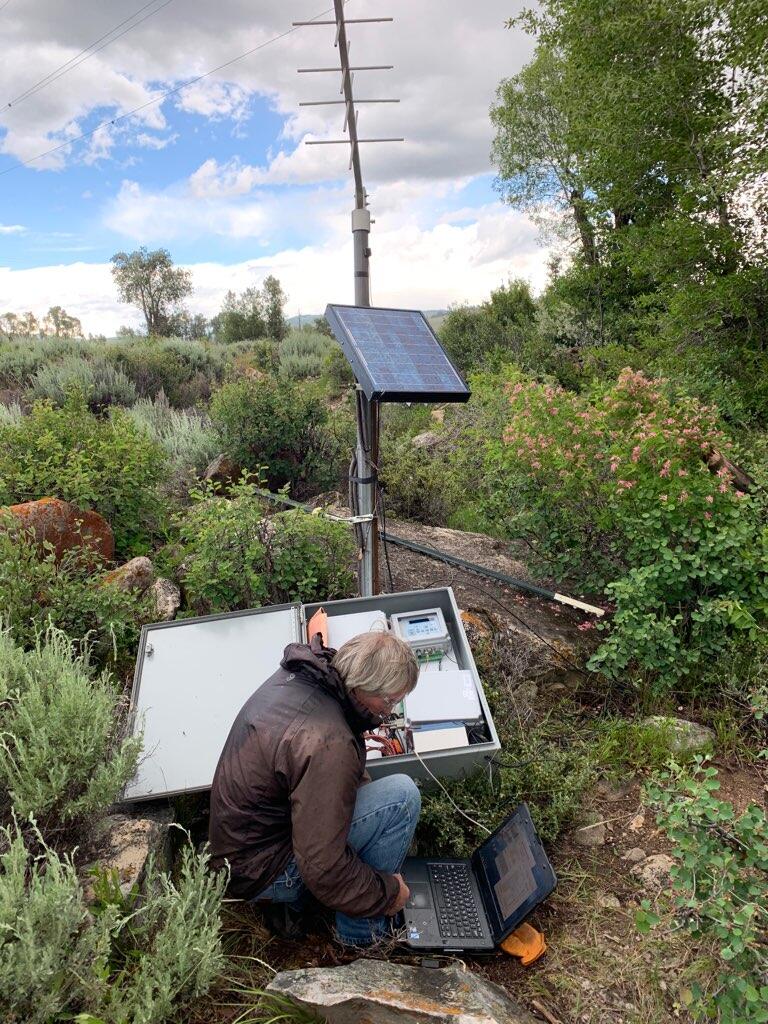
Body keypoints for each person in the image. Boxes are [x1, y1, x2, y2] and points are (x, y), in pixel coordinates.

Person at [208, 629, 421, 947]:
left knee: (382, 798)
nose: (389, 711)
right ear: (363, 685)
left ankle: (300, 908)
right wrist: (387, 893)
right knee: (402, 798)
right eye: (389, 700)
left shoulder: (305, 678)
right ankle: (362, 938)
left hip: (241, 849)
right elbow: (322, 867)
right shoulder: (328, 742)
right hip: (263, 872)